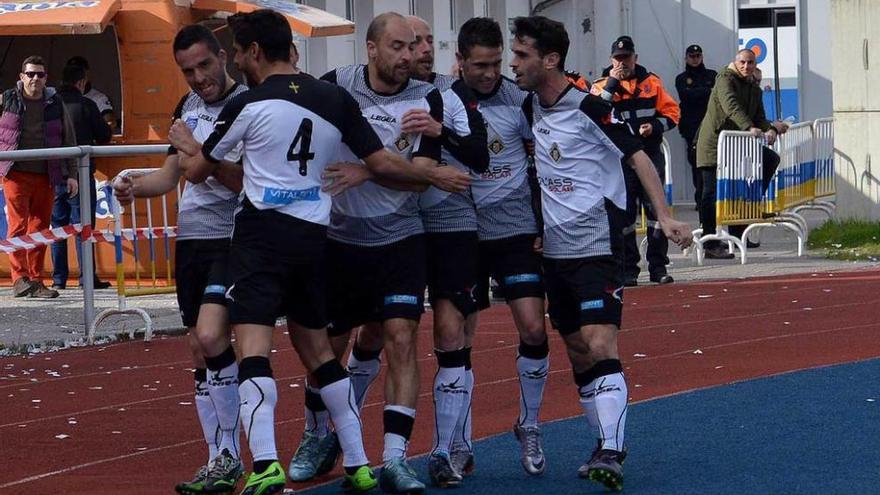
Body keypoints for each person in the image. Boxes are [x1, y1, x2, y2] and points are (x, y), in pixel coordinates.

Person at [169, 10, 466, 495]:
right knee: (321, 355)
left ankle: (264, 462)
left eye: (240, 52)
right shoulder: (335, 98)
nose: (239, 61)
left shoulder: (249, 103)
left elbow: (200, 170)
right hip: (314, 239)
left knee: (253, 351)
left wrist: (185, 143)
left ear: (254, 53)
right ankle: (360, 461)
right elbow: (382, 160)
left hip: (261, 238)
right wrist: (433, 173)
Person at [510, 15, 692, 491]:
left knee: (599, 342)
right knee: (576, 350)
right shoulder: (527, 107)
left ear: (550, 60)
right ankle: (601, 444)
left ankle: (612, 450)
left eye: (522, 55)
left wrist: (665, 216)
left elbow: (637, 157)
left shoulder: (591, 108)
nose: (514, 63)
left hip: (597, 245)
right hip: (554, 252)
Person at [113, 24, 249, 494]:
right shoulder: (188, 106)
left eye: (204, 66)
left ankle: (232, 454)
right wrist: (133, 186)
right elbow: (171, 177)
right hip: (190, 239)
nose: (197, 78)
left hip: (233, 238)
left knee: (212, 336)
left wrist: (199, 153)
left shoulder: (248, 105)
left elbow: (250, 183)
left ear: (223, 57)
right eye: (187, 71)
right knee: (198, 347)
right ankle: (217, 458)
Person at [454, 16, 551, 478]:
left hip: (515, 229)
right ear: (460, 63)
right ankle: (460, 438)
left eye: (496, 64)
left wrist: (545, 221)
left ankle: (529, 424)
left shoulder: (520, 101)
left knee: (533, 328)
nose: (491, 74)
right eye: (480, 66)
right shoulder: (445, 99)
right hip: (463, 232)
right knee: (459, 336)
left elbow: (547, 164)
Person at [592, 36, 680, 286]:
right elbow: (595, 113)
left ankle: (658, 267)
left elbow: (673, 114)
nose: (623, 63)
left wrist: (654, 126)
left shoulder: (652, 82)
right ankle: (628, 269)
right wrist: (612, 83)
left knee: (655, 212)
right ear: (611, 61)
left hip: (650, 154)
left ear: (635, 58)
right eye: (618, 59)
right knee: (625, 216)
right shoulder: (601, 85)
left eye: (626, 58)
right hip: (618, 160)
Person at [695, 48, 787, 260]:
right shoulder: (724, 79)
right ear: (735, 63)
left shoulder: (754, 88)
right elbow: (731, 106)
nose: (746, 66)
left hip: (736, 147)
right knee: (710, 192)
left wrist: (771, 128)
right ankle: (710, 241)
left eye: (750, 63)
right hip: (715, 143)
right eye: (743, 62)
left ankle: (738, 227)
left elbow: (759, 116)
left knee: (769, 159)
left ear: (755, 65)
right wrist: (749, 127)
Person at [1, 55, 78, 299]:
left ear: (46, 79)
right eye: (31, 74)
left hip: (47, 174)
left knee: (41, 228)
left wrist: (72, 174)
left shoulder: (56, 103)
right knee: (18, 226)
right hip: (15, 173)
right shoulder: (7, 100)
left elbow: (69, 137)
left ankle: (36, 280)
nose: (35, 78)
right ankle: (19, 279)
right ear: (21, 77)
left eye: (40, 74)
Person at [51, 63, 112, 290]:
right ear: (81, 82)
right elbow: (104, 135)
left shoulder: (50, 106)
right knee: (83, 226)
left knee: (58, 227)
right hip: (81, 172)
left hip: (55, 173)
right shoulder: (86, 104)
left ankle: (58, 279)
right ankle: (87, 277)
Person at [675, 44, 716, 209]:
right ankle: (700, 199)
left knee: (711, 164)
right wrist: (706, 90)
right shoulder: (681, 78)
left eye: (698, 56)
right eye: (692, 56)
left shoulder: (712, 75)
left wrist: (699, 92)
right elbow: (686, 96)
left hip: (710, 125)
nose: (695, 59)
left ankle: (710, 198)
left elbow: (715, 94)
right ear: (686, 58)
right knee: (696, 164)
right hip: (691, 127)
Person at [65, 56, 117, 131]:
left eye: (80, 71)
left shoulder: (98, 98)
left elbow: (110, 122)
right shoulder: (58, 97)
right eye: (72, 72)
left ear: (87, 73)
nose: (76, 75)